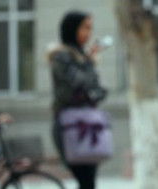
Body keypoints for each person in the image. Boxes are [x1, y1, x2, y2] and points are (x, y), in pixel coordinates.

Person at [49, 11, 107, 189]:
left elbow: (97, 89)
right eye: (85, 28)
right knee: (85, 179)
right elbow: (78, 83)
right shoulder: (61, 57)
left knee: (88, 180)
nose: (88, 34)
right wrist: (89, 63)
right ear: (72, 29)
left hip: (88, 124)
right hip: (70, 125)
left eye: (90, 28)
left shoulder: (81, 57)